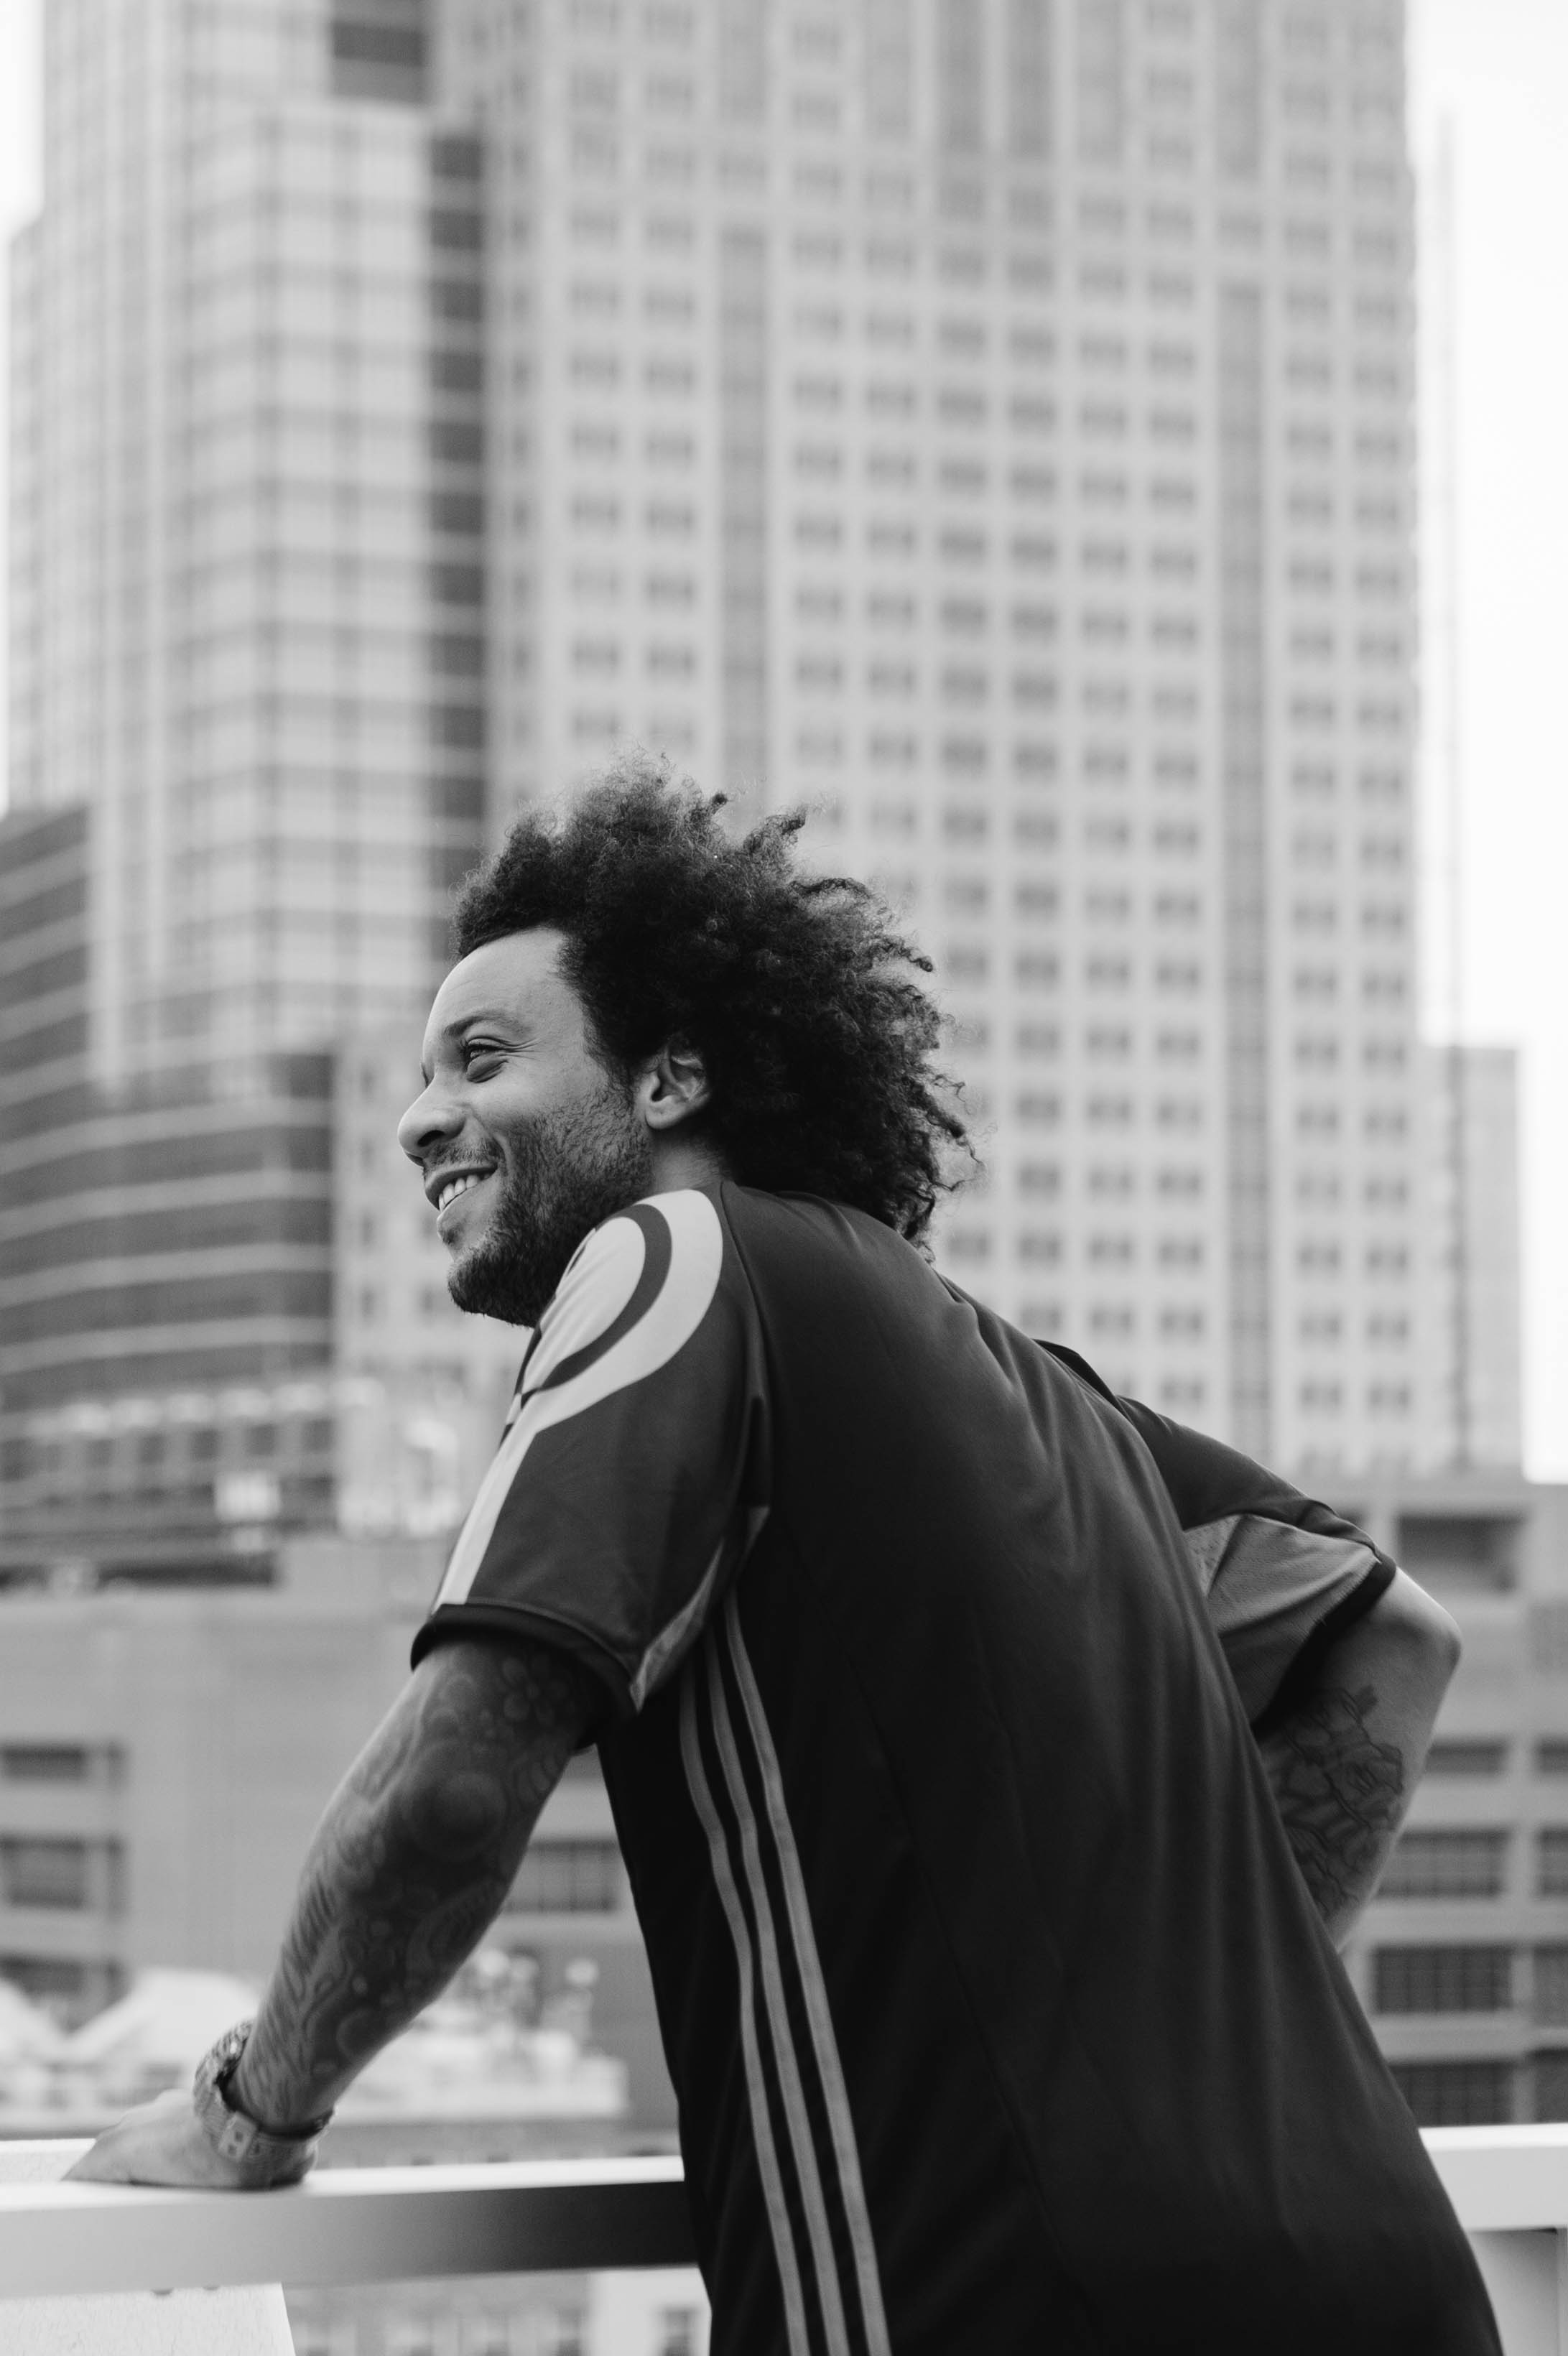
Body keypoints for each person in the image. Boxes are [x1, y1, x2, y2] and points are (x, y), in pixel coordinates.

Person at [72, 768, 1499, 2355]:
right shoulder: (1053, 1402)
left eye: (482, 1057)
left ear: (670, 1078)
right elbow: (1394, 1642)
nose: (418, 1119)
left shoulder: (673, 1254)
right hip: (1383, 2281)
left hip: (997, 2302)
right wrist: (1196, 2029)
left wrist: (248, 2114)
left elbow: (455, 1785)